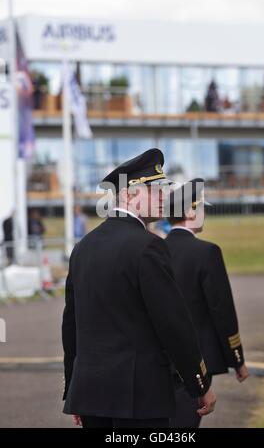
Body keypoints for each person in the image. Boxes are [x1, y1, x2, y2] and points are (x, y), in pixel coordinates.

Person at [62, 149, 216, 429]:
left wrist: (74, 391)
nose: (164, 197)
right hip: (138, 397)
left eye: (165, 188)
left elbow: (72, 326)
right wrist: (200, 383)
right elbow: (173, 324)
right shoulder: (148, 246)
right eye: (155, 189)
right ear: (130, 195)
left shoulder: (83, 247)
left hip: (91, 394)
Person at [164, 178, 248, 428]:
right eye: (200, 207)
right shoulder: (207, 252)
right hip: (194, 361)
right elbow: (221, 310)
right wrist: (237, 359)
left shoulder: (155, 249)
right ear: (190, 212)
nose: (203, 213)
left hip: (158, 359)